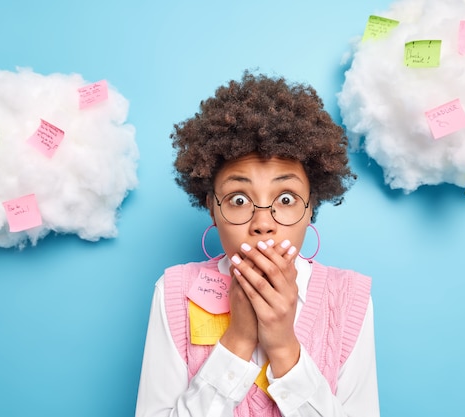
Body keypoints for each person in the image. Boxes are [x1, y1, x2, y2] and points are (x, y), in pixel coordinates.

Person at [135, 72, 379, 417]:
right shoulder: (174, 291)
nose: (263, 224)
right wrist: (238, 340)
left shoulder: (350, 297)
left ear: (311, 206)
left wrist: (283, 347)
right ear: (211, 207)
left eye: (285, 198)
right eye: (238, 199)